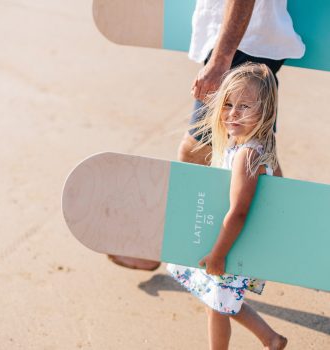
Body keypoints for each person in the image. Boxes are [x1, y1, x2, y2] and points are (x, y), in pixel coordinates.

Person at [108, 0, 305, 271]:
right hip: (246, 40)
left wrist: (221, 57)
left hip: (241, 44)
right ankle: (290, 241)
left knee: (200, 152)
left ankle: (164, 249)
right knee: (257, 153)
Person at [167, 62, 287, 350]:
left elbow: (239, 211)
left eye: (245, 106)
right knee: (219, 301)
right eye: (229, 103)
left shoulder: (247, 154)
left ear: (266, 111)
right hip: (231, 239)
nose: (233, 113)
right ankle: (271, 339)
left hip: (233, 242)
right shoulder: (242, 143)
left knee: (217, 304)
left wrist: (218, 254)